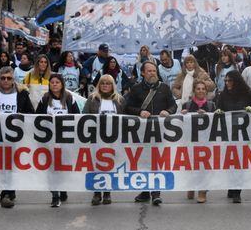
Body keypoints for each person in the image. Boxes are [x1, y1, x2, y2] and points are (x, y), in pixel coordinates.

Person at [125, 61, 177, 206]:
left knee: (156, 162)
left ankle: (155, 193)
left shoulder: (164, 88)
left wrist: (169, 111)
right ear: (142, 73)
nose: (152, 73)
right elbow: (127, 107)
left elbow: (173, 105)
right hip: (141, 133)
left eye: (154, 71)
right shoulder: (135, 89)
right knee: (144, 162)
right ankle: (146, 191)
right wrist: (139, 112)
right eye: (149, 71)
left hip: (160, 132)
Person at [0, 66, 34, 208]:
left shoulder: (22, 93)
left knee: (11, 166)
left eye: (9, 78)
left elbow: (30, 112)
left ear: (13, 79)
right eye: (3, 78)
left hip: (16, 136)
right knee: (2, 166)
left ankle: (7, 193)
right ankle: (8, 192)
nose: (5, 81)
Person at [215, 70, 251, 203]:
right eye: (226, 81)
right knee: (230, 162)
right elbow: (218, 109)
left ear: (236, 81)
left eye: (230, 81)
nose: (227, 83)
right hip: (228, 134)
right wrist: (218, 112)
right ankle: (231, 186)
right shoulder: (223, 95)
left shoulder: (247, 94)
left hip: (243, 134)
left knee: (239, 163)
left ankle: (237, 191)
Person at [36, 74, 80, 207]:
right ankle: (55, 195)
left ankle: (63, 188)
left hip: (66, 139)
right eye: (52, 82)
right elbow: (36, 117)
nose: (54, 84)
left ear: (62, 84)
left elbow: (78, 117)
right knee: (52, 168)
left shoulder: (70, 99)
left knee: (63, 166)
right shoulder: (44, 99)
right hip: (49, 139)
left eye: (57, 82)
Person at [82, 74, 126, 206]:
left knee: (110, 166)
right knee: (96, 166)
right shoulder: (92, 99)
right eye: (103, 83)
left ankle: (107, 192)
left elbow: (126, 118)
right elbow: (84, 116)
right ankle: (96, 193)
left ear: (113, 85)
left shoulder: (120, 100)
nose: (105, 86)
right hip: (96, 139)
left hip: (114, 139)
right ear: (99, 85)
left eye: (108, 83)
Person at [180, 80, 216, 203]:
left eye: (203, 89)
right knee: (191, 165)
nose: (200, 91)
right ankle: (191, 185)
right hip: (191, 141)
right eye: (198, 89)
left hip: (206, 142)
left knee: (204, 166)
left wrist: (208, 116)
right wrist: (182, 115)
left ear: (206, 91)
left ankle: (202, 191)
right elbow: (181, 124)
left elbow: (216, 124)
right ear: (194, 90)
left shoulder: (211, 105)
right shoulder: (187, 105)